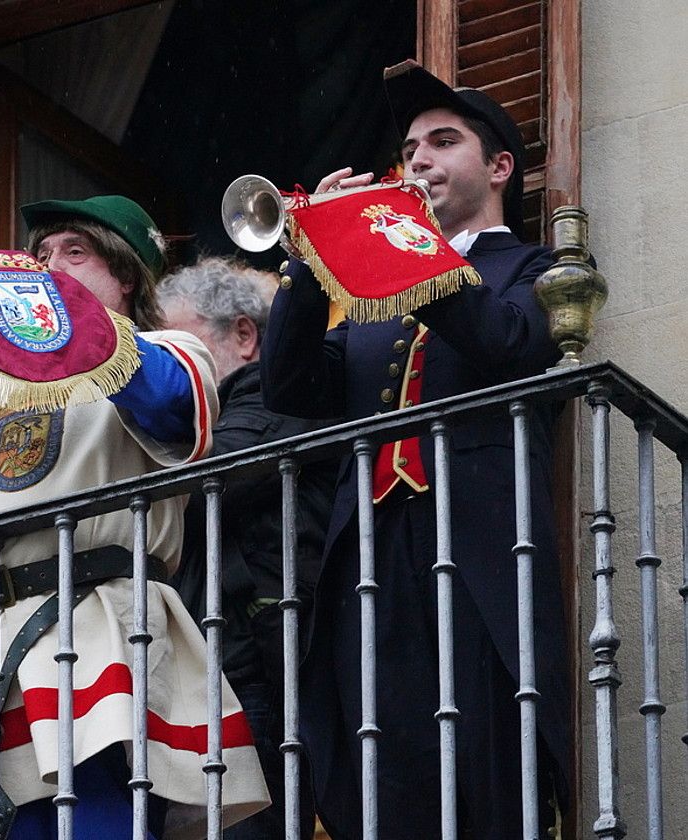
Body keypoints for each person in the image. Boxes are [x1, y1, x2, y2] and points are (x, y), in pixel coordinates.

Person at [0, 195, 268, 840]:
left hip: (100, 629)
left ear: (128, 275)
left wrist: (63, 316)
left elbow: (173, 410)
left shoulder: (167, 350)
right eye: (40, 256)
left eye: (74, 253)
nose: (48, 267)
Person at [259, 64, 571, 839]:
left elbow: (507, 342)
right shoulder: (368, 303)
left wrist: (408, 247)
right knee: (385, 761)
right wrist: (308, 260)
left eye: (442, 142)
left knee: (486, 756)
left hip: (478, 550)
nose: (418, 161)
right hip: (370, 552)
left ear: (499, 167)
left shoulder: (532, 270)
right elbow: (292, 387)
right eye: (409, 150)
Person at [158, 256, 335, 840]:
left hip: (253, 664)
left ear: (244, 335)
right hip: (212, 664)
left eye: (181, 350)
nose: (170, 372)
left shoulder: (272, 397)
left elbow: (214, 481)